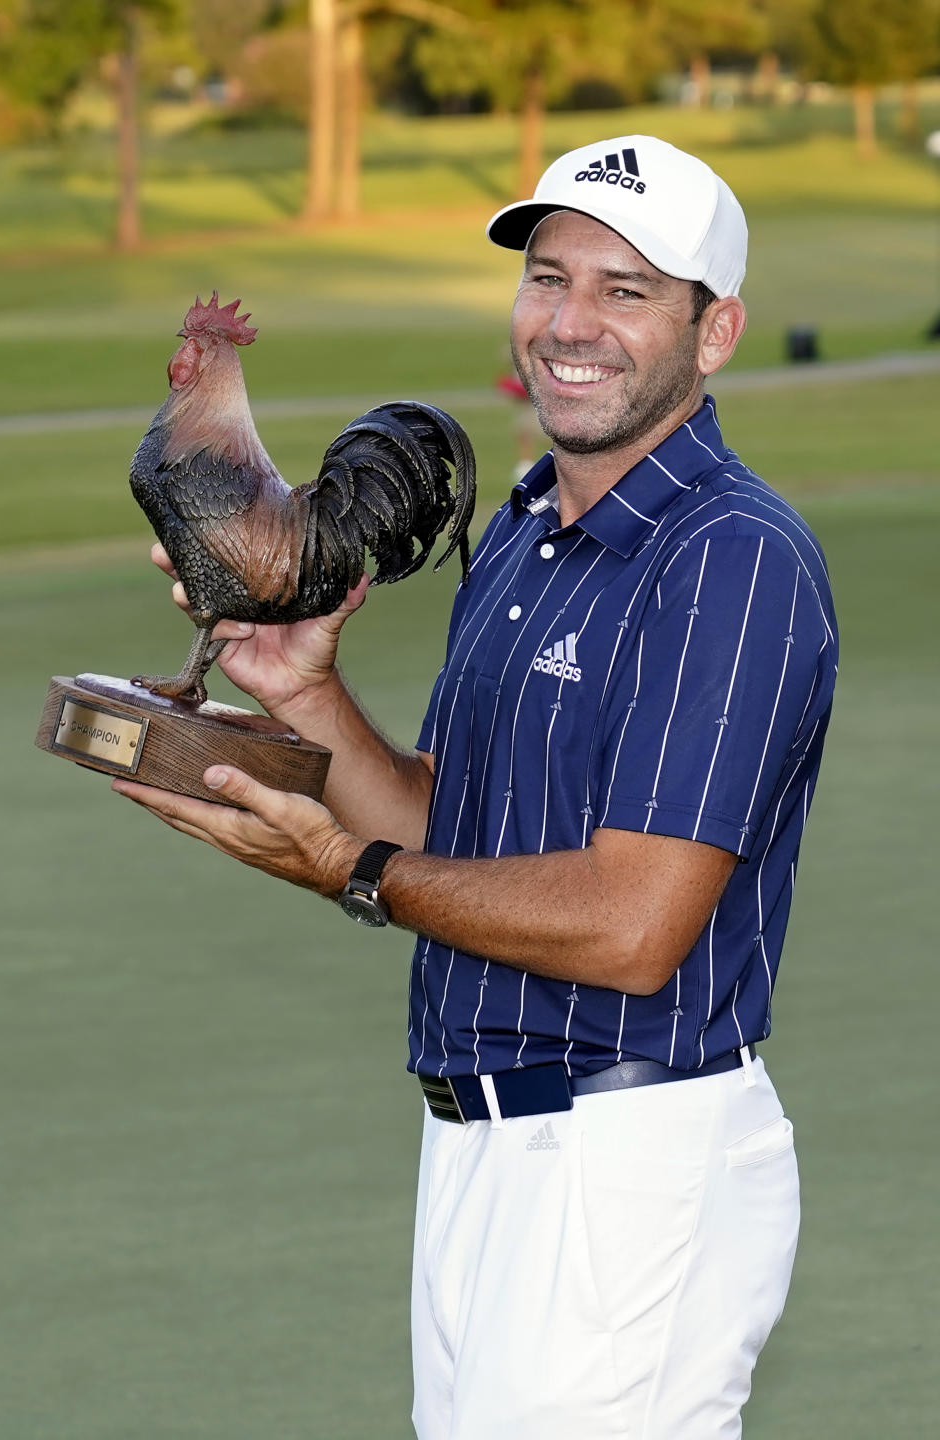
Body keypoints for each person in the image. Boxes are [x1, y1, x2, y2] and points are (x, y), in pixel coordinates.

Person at [114, 134, 838, 1439]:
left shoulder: (731, 559)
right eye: (548, 279)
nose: (569, 324)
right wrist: (307, 698)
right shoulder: (523, 534)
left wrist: (351, 875)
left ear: (714, 331)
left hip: (625, 1156)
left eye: (625, 291)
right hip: (481, 1145)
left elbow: (632, 924)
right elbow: (462, 829)